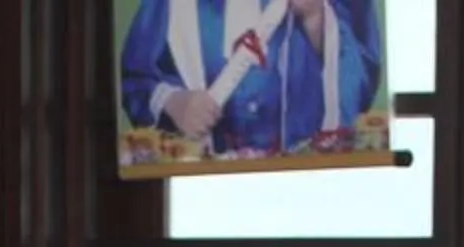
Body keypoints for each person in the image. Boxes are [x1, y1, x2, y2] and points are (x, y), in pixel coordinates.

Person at [119, 0, 384, 162]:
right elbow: (136, 80)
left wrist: (316, 21)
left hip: (310, 183)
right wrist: (173, 102)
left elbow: (363, 77)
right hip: (204, 192)